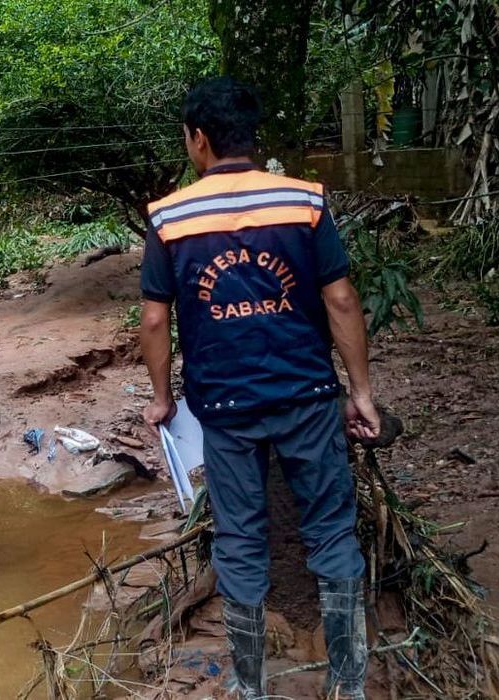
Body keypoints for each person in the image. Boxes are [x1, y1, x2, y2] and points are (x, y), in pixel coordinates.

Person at [139, 76, 380, 700]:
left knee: (241, 542)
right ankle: (348, 685)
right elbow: (341, 299)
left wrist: (164, 400)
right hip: (307, 398)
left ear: (197, 139)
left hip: (224, 407)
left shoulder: (169, 217)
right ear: (251, 135)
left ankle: (251, 688)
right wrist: (361, 392)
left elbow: (155, 319)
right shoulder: (304, 201)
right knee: (330, 531)